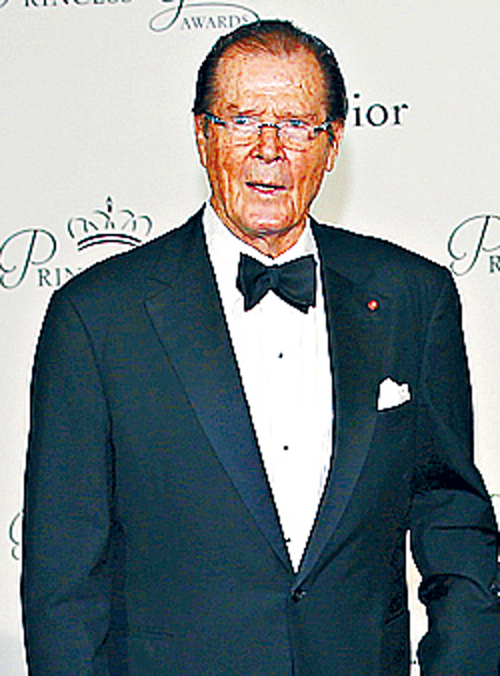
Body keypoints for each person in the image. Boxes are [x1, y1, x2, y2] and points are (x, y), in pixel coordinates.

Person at [22, 19, 499, 676]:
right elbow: (63, 587)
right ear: (201, 135)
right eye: (242, 120)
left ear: (332, 145)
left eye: (299, 124)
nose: (268, 148)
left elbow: (454, 519)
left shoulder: (413, 297)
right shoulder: (97, 317)